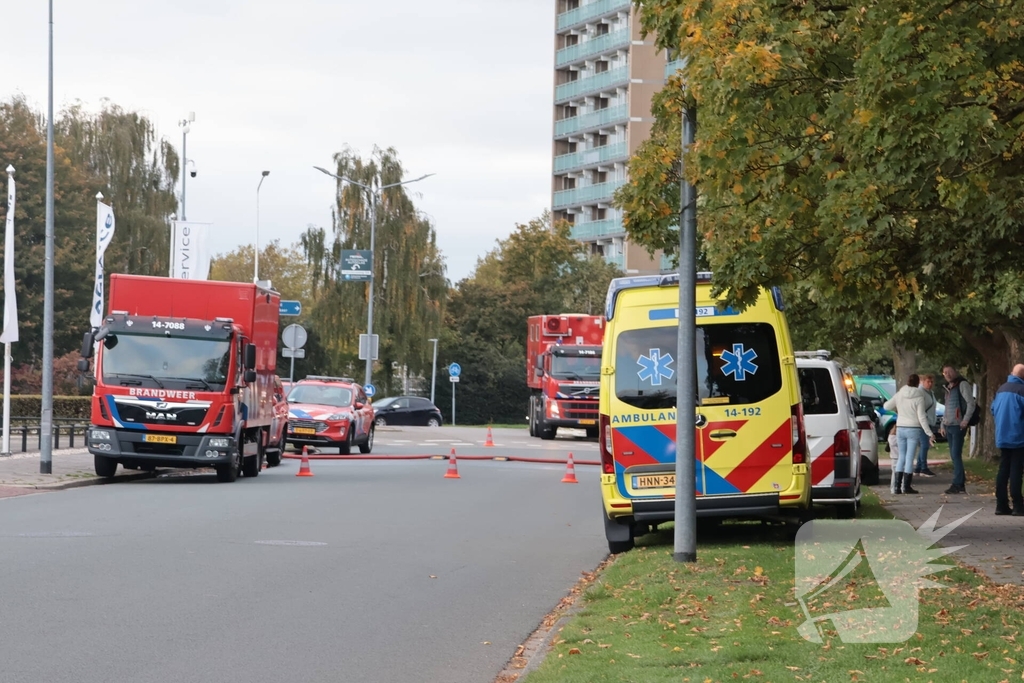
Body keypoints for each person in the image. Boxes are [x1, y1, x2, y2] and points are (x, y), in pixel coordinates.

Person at [883, 374, 936, 494]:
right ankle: (906, 486)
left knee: (901, 456)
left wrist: (899, 410)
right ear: (918, 383)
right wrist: (929, 433)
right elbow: (922, 417)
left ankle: (896, 487)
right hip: (913, 428)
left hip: (900, 427)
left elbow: (886, 406)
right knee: (909, 458)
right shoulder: (919, 396)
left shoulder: (900, 393)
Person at [990, 364, 1024, 516]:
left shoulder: (1001, 389)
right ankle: (1018, 505)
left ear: (1012, 373)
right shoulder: (1022, 391)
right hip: (1018, 436)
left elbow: (993, 409)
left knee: (1003, 469)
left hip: (1002, 435)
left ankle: (1001, 504)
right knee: (1016, 470)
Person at [941, 365, 976, 494]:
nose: (948, 374)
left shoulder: (962, 384)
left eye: (950, 371)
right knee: (953, 455)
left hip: (958, 425)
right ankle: (959, 482)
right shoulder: (948, 388)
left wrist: (965, 420)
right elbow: (946, 407)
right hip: (948, 425)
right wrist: (942, 424)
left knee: (956, 455)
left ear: (955, 371)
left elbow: (970, 403)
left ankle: (957, 484)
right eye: (945, 372)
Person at [914, 374, 938, 477]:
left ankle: (918, 468)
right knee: (924, 445)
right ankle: (923, 467)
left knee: (924, 445)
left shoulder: (930, 393)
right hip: (922, 422)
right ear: (922, 381)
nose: (930, 384)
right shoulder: (920, 393)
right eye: (928, 381)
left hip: (929, 420)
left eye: (931, 382)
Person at [888, 426, 900, 495]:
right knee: (898, 474)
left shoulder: (891, 437)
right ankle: (898, 488)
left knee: (894, 474)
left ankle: (893, 488)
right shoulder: (898, 439)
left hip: (893, 457)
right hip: (898, 457)